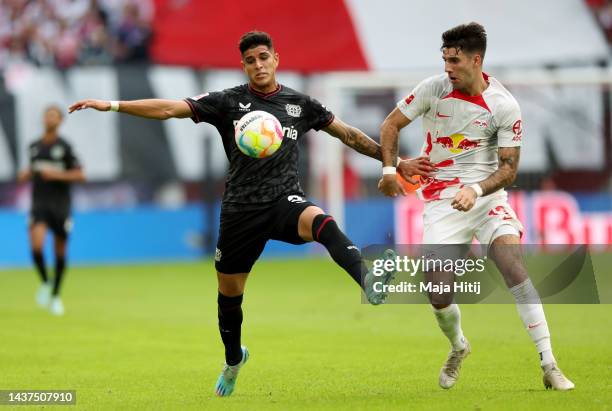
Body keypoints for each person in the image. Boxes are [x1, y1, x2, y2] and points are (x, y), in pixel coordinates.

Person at [68, 31, 435, 397]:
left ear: (276, 58)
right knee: (229, 297)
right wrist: (113, 105)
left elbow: (350, 136)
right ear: (243, 65)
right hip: (240, 212)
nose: (258, 65)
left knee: (321, 221)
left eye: (263, 57)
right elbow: (169, 109)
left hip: (283, 200)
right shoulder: (227, 102)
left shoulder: (300, 104)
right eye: (250, 60)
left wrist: (397, 162)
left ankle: (368, 280)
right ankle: (233, 360)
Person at [378, 22, 574, 391]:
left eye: (454, 61)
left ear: (476, 59)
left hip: (486, 199)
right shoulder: (433, 89)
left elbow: (509, 169)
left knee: (512, 265)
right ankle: (459, 346)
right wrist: (390, 169)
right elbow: (390, 125)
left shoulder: (504, 105)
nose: (447, 68)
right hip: (440, 200)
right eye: (445, 60)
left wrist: (476, 189)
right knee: (438, 294)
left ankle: (550, 364)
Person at [17, 105, 85, 316]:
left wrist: (57, 175)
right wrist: (26, 174)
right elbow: (31, 170)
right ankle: (46, 282)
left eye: (54, 116)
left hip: (61, 205)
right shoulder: (34, 147)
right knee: (36, 246)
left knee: (60, 252)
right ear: (43, 119)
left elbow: (80, 175)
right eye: (47, 115)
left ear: (60, 121)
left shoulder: (65, 147)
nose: (50, 119)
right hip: (39, 204)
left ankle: (56, 296)